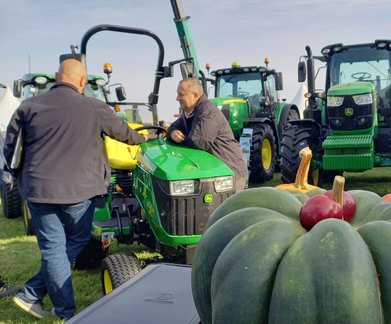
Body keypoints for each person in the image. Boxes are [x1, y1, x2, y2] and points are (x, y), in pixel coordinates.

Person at [3, 59, 157, 320]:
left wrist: (20, 178)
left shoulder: (28, 107)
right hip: (80, 192)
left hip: (39, 190)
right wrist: (145, 138)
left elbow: (11, 150)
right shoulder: (94, 107)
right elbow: (124, 133)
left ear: (55, 77)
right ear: (83, 82)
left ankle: (34, 295)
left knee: (54, 249)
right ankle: (59, 309)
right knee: (74, 241)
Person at [167, 78, 248, 192]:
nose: (177, 98)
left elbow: (198, 142)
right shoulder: (189, 114)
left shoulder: (208, 112)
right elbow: (172, 127)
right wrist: (172, 133)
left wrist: (180, 139)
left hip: (230, 172)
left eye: (181, 94)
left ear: (194, 96)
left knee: (225, 209)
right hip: (215, 172)